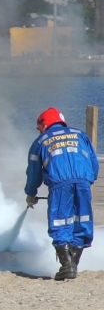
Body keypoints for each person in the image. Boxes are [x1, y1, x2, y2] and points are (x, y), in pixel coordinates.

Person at [25, 107, 99, 280]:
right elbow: (93, 163)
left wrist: (30, 193)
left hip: (59, 184)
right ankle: (73, 264)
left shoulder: (40, 141)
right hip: (83, 182)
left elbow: (34, 173)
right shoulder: (80, 134)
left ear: (43, 124)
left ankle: (67, 266)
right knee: (83, 220)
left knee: (60, 222)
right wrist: (88, 180)